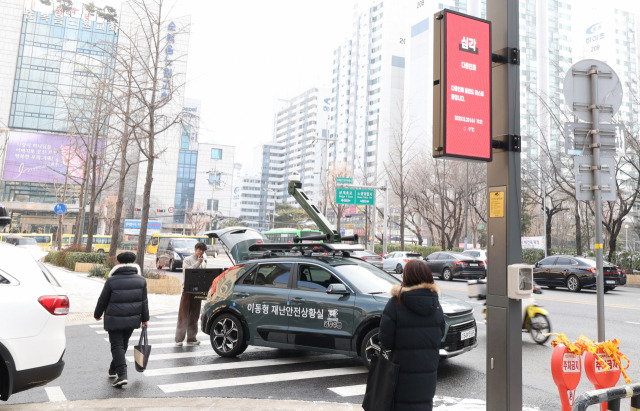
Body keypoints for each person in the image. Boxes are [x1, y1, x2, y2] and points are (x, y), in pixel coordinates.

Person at [378, 259, 445, 411]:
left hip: (401, 373)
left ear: (406, 277)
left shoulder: (396, 303)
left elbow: (385, 340)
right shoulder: (436, 305)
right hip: (428, 372)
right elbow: (439, 335)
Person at [94, 252, 149, 388]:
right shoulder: (141, 280)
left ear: (118, 263)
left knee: (117, 346)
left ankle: (122, 375)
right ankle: (113, 369)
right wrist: (145, 319)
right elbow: (144, 302)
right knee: (123, 344)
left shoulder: (112, 280)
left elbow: (103, 300)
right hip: (132, 318)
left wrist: (97, 313)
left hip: (114, 319)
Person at [174, 241, 207, 346]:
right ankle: (179, 339)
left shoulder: (204, 261)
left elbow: (203, 275)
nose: (200, 252)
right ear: (195, 249)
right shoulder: (188, 260)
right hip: (187, 290)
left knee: (195, 315)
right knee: (184, 315)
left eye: (202, 250)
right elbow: (188, 272)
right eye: (199, 250)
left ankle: (191, 338)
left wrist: (201, 263)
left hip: (198, 291)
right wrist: (198, 262)